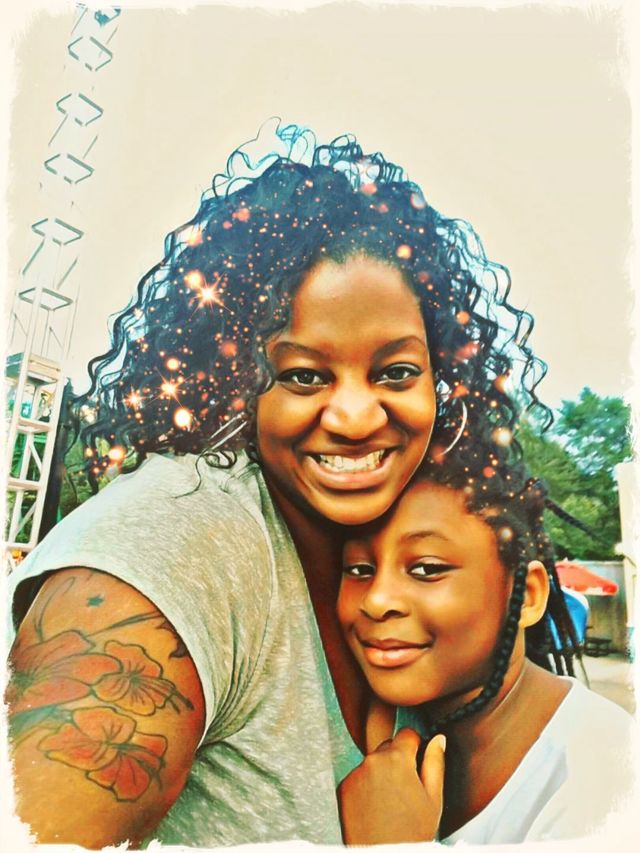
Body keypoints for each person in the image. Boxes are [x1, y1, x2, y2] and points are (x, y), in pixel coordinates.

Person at [6, 121, 558, 848]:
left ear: (442, 379)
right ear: (237, 382)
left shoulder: (389, 544)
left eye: (396, 371)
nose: (357, 417)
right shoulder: (174, 549)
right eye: (302, 375)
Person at [337, 427, 634, 845]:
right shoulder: (390, 724)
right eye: (358, 569)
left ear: (526, 597)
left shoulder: (608, 780)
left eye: (427, 568)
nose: (376, 599)